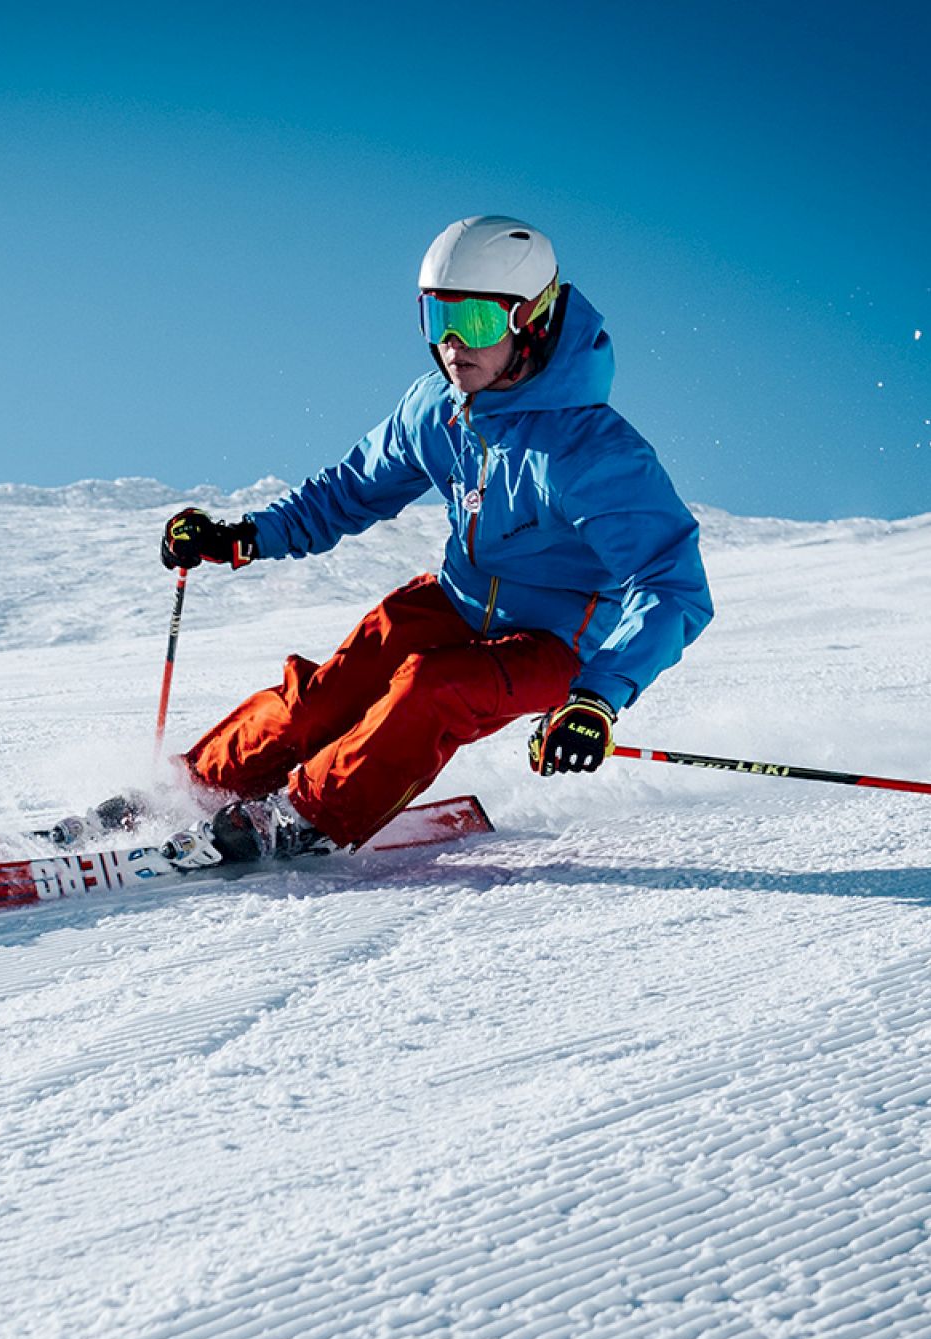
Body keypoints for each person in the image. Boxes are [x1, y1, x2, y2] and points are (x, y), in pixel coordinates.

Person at [156, 214, 714, 866]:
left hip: (558, 643)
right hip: (454, 600)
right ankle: (192, 789)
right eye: (435, 319)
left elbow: (671, 586)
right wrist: (244, 535)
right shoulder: (436, 407)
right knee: (325, 697)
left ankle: (303, 818)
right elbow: (348, 491)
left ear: (529, 320)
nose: (452, 344)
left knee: (433, 687)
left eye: (474, 322)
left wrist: (598, 698)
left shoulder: (591, 453)